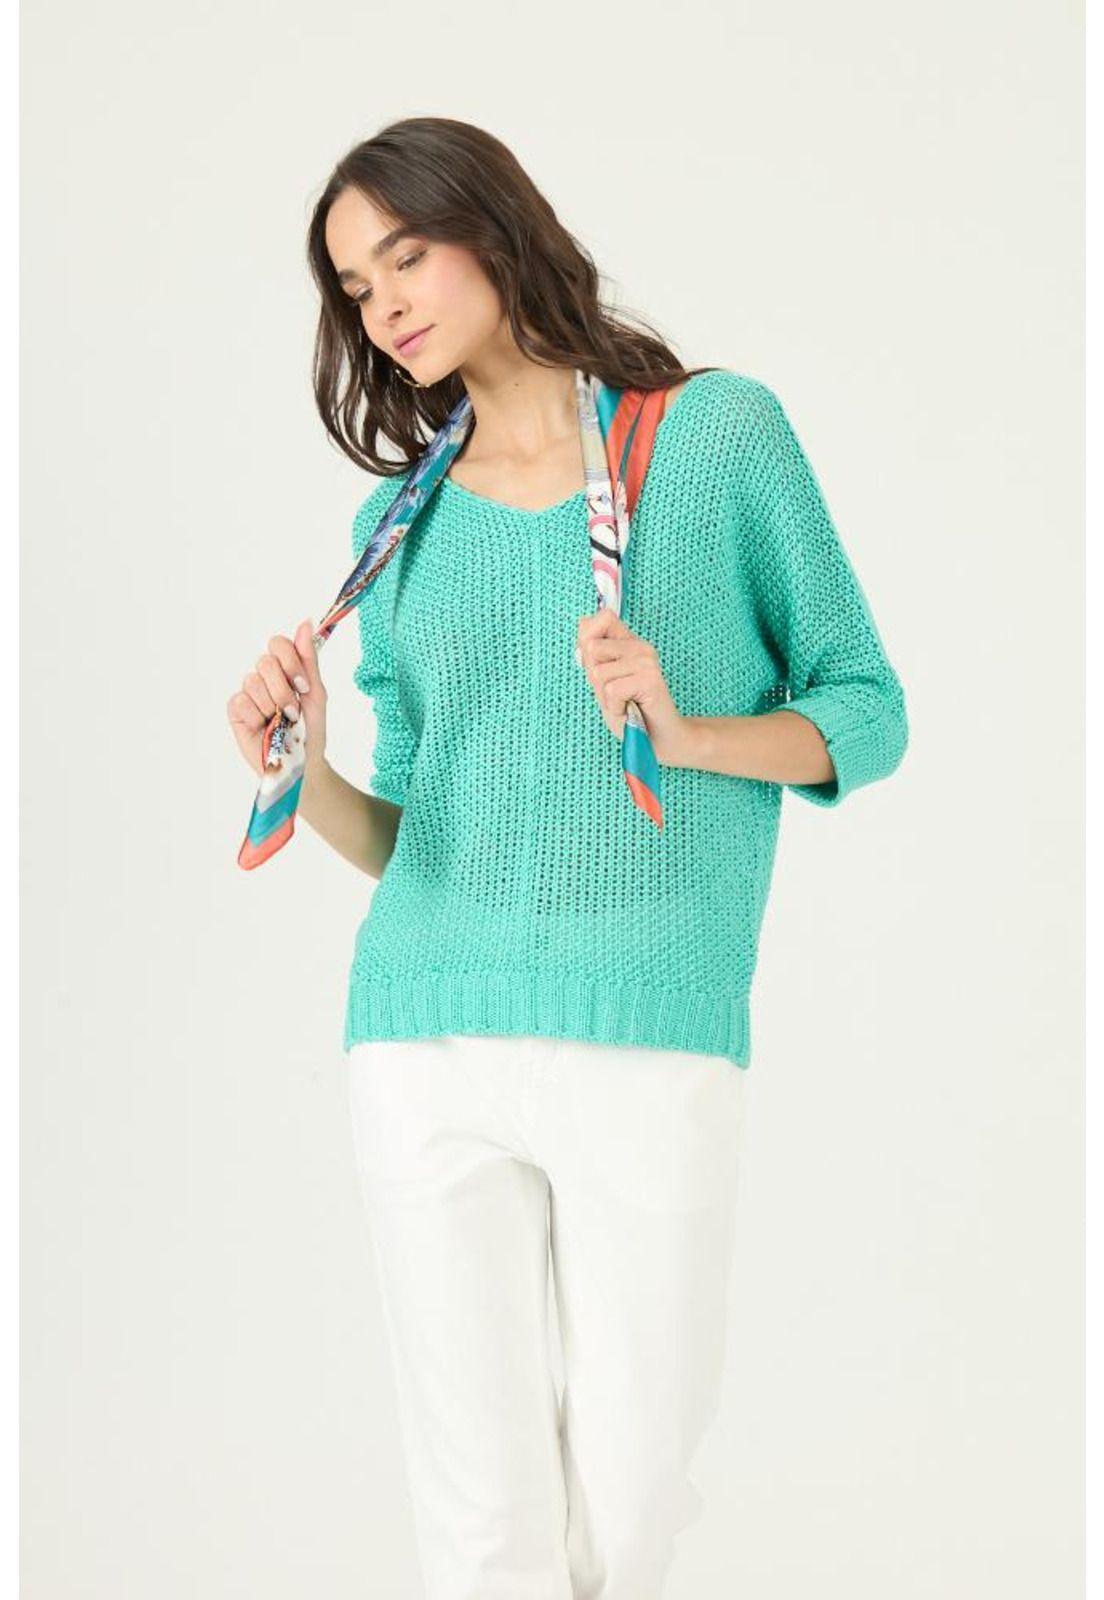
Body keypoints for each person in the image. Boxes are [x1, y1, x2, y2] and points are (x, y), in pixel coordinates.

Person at [226, 116, 909, 1600]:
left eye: (406, 255)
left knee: (635, 1491)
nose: (383, 305)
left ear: (495, 228)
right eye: (355, 287)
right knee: (480, 1520)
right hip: (424, 1036)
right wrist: (307, 768)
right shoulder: (394, 526)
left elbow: (868, 710)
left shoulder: (713, 438)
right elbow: (415, 837)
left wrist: (689, 729)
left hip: (649, 1029)